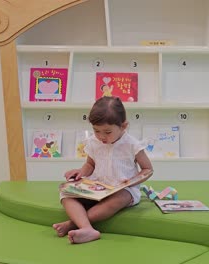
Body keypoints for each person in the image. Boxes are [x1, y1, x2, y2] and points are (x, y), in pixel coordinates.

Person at [53, 96, 153, 244]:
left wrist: (131, 182)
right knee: (66, 193)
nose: (101, 137)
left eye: (107, 132)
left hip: (123, 190)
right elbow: (90, 164)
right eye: (96, 131)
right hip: (98, 186)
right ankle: (87, 228)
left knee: (119, 198)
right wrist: (81, 172)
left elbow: (147, 169)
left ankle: (73, 224)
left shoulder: (132, 144)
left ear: (124, 126)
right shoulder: (94, 141)